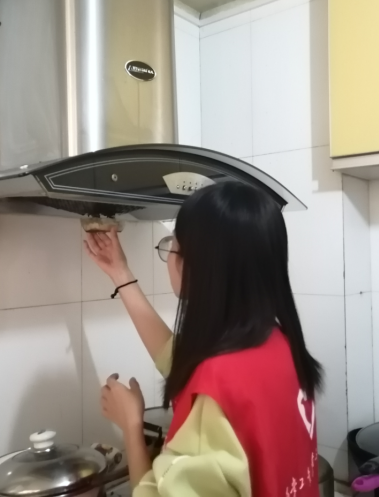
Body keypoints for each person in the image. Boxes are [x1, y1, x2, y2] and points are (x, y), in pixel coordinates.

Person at [84, 181, 323, 497]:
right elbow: (178, 359)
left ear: (197, 266)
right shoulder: (278, 344)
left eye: (172, 245)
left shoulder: (214, 391)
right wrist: (121, 274)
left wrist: (131, 425)